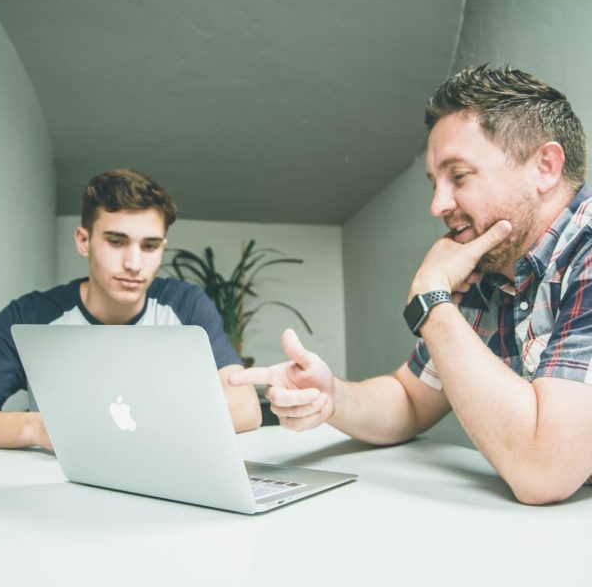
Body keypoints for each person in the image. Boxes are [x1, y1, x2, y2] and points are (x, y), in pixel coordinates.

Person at [230, 65, 592, 505]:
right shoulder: (490, 268)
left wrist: (433, 301)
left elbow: (544, 472)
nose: (438, 204)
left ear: (545, 166)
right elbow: (410, 398)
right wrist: (332, 397)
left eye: (458, 176)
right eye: (435, 183)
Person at [0, 168, 261, 449]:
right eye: (116, 242)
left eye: (149, 246)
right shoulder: (29, 316)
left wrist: (130, 423)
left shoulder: (186, 305)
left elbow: (246, 408)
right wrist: (39, 428)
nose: (133, 263)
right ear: (84, 241)